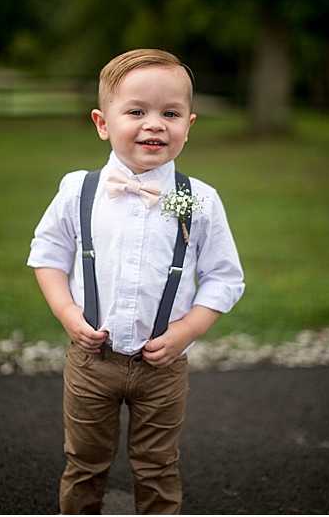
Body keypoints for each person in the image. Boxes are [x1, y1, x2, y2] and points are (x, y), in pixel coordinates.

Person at [28, 49, 245, 514]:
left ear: (189, 124)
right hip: (92, 361)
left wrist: (185, 333)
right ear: (102, 122)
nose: (154, 124)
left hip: (163, 369)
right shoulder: (78, 191)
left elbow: (224, 278)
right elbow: (46, 256)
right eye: (136, 111)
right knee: (83, 463)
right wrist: (68, 315)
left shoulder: (196, 200)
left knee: (158, 466)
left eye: (170, 113)